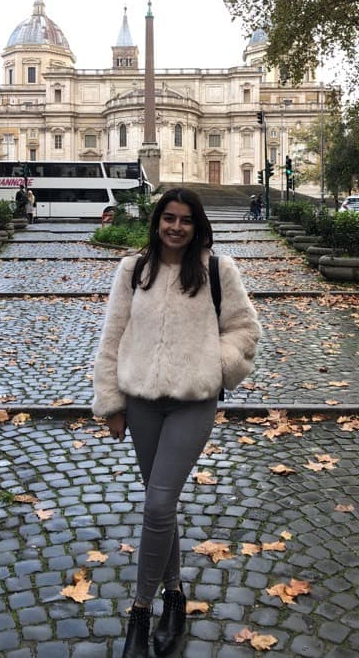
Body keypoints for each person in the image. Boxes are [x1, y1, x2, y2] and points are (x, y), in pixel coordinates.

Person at [93, 188, 261, 657]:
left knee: (158, 502)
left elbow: (245, 330)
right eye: (168, 218)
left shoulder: (216, 270)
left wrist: (215, 365)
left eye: (185, 220)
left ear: (197, 226)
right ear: (157, 221)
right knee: (158, 506)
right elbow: (113, 337)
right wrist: (111, 401)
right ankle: (175, 597)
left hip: (192, 402)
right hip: (142, 401)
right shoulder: (133, 270)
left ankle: (140, 612)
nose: (176, 227)